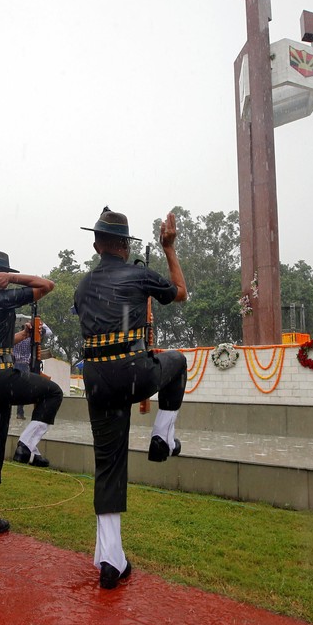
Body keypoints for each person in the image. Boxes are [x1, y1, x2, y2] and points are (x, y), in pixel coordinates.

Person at [74, 207, 188, 589]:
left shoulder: (82, 286)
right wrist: (169, 249)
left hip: (96, 379)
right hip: (132, 371)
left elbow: (109, 320)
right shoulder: (138, 273)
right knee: (177, 362)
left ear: (96, 245)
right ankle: (162, 437)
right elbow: (181, 294)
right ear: (124, 246)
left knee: (108, 466)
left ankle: (111, 561)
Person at [0, 249, 63, 539]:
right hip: (0, 377)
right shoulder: (3, 296)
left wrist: (21, 336)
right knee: (53, 393)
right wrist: (14, 277)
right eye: (4, 275)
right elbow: (47, 285)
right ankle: (27, 445)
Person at [11, 313, 54, 466]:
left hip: (17, 364)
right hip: (26, 365)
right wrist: (39, 324)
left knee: (18, 392)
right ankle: (22, 415)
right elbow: (49, 332)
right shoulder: (29, 340)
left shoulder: (20, 339)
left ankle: (19, 413)